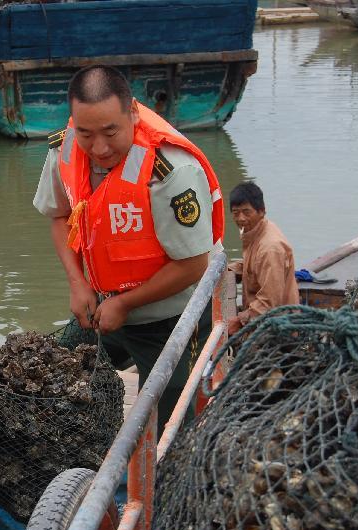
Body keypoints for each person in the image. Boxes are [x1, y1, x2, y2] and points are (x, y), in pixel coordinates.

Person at [33, 65, 225, 436]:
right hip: (104, 307)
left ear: (133, 114)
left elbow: (194, 264)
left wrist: (126, 304)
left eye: (111, 132)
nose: (99, 148)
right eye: (86, 133)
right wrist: (77, 283)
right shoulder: (65, 150)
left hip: (174, 316)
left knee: (172, 422)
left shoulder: (169, 171)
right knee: (55, 371)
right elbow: (58, 217)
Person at [227, 181, 300, 335]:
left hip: (279, 331)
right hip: (265, 324)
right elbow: (255, 265)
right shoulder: (256, 232)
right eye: (235, 213)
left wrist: (240, 321)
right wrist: (230, 270)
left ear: (261, 211)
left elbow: (269, 303)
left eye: (246, 212)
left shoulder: (269, 248)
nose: (240, 218)